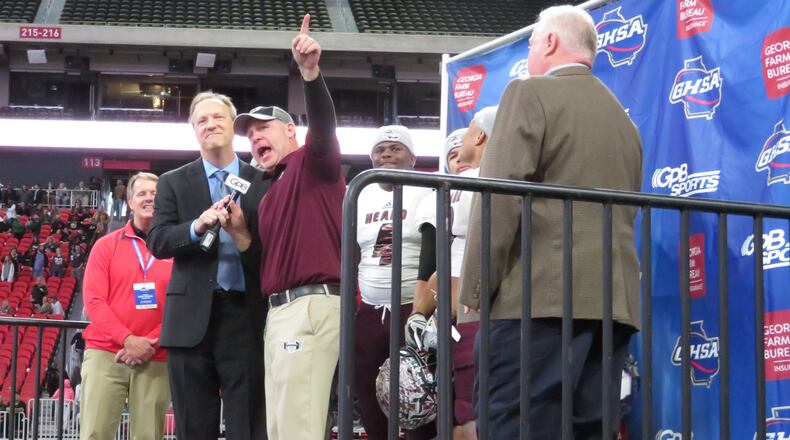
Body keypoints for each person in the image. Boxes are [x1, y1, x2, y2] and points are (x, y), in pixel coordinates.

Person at [457, 6, 643, 439]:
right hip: (611, 309)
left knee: (514, 427)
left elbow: (498, 199)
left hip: (535, 303)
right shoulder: (625, 124)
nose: (530, 53)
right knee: (588, 431)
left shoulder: (529, 93)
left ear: (550, 42)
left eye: (531, 43)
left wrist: (475, 290)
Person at [234, 14, 344, 439]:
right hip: (280, 312)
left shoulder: (311, 162)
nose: (255, 138)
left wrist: (310, 74)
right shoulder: (269, 191)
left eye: (262, 128)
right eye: (250, 135)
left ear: (290, 130)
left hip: (310, 304)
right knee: (282, 428)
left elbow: (325, 126)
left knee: (298, 428)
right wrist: (241, 233)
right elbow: (269, 260)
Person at [147, 89, 268, 438]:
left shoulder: (263, 181)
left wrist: (243, 236)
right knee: (193, 427)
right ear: (194, 130)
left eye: (217, 117)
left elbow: (274, 251)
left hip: (246, 318)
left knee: (249, 425)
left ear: (232, 125)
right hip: (189, 322)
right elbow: (158, 241)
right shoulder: (172, 181)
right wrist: (196, 227)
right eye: (202, 120)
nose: (210, 124)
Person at [354, 125, 437, 439]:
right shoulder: (360, 192)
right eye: (379, 149)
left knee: (420, 394)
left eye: (395, 148)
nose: (386, 154)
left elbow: (436, 252)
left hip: (413, 307)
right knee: (368, 389)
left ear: (412, 158)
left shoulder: (428, 190)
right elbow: (352, 251)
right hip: (371, 308)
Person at [80, 172, 172, 440]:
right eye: (142, 193)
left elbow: (184, 305)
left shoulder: (177, 249)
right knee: (95, 434)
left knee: (149, 436)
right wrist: (128, 340)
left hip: (155, 356)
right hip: (105, 353)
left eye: (155, 194)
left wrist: (151, 342)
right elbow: (94, 301)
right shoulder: (105, 246)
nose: (149, 198)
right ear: (130, 202)